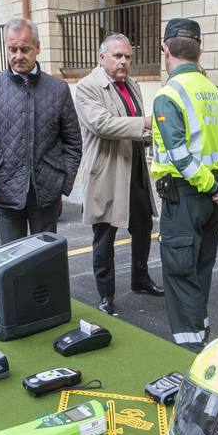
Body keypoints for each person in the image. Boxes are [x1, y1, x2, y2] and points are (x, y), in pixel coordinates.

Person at [149, 19, 218, 351]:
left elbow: (178, 154)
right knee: (202, 266)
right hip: (212, 199)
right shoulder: (217, 95)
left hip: (186, 197)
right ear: (199, 50)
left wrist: (213, 187)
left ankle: (188, 348)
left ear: (165, 49)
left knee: (179, 270)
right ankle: (201, 330)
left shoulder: (168, 95)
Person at [0, 17, 82, 244]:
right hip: (6, 191)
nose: (18, 56)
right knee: (10, 263)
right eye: (12, 49)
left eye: (25, 49)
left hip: (46, 194)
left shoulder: (58, 89)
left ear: (37, 48)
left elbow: (73, 142)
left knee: (45, 260)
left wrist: (63, 182)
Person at [75, 32, 162, 316]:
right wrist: (148, 123)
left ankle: (140, 279)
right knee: (104, 236)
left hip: (134, 168)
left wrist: (149, 135)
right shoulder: (88, 87)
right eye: (117, 56)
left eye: (127, 56)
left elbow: (138, 129)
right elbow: (103, 124)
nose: (124, 61)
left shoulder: (132, 85)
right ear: (102, 58)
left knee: (143, 228)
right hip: (106, 172)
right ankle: (106, 296)